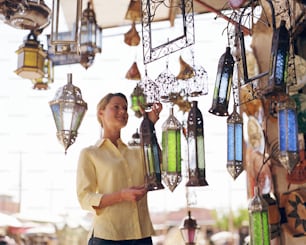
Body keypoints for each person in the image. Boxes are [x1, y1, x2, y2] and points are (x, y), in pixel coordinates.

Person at [76, 92, 162, 245]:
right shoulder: (90, 154)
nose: (123, 111)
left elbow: (159, 165)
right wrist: (121, 196)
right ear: (101, 112)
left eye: (125, 108)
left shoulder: (137, 153)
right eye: (116, 107)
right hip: (106, 237)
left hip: (141, 236)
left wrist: (150, 126)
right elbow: (84, 198)